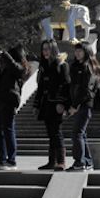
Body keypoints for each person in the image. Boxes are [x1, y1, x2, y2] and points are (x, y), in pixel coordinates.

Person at [0, 44, 30, 171]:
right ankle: (1, 159)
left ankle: (11, 160)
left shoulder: (20, 68)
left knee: (8, 130)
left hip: (10, 100)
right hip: (0, 99)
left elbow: (17, 70)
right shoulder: (6, 68)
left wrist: (6, 55)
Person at [33, 39, 70, 171]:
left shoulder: (61, 65)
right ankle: (51, 161)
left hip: (56, 104)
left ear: (53, 50)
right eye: (43, 49)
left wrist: (62, 103)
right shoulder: (43, 67)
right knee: (51, 133)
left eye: (48, 49)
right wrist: (36, 105)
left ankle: (61, 161)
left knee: (56, 132)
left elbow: (66, 85)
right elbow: (40, 87)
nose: (45, 52)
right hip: (46, 104)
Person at [68, 41, 100, 171]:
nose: (77, 53)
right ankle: (87, 162)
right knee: (81, 134)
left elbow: (86, 90)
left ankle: (79, 162)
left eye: (80, 51)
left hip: (83, 104)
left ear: (86, 52)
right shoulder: (78, 66)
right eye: (76, 51)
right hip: (81, 104)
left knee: (77, 133)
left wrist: (75, 105)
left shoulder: (87, 67)